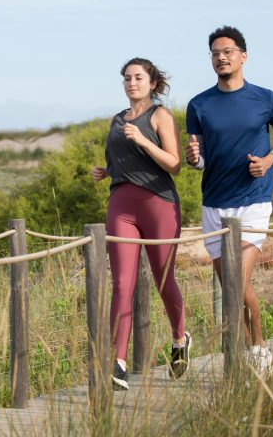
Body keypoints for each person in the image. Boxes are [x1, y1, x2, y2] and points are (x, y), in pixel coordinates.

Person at [185, 25, 273, 375]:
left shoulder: (267, 98)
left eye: (227, 51)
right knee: (233, 285)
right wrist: (193, 159)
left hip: (253, 200)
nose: (221, 57)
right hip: (214, 204)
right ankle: (254, 349)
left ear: (243, 55)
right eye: (215, 53)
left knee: (234, 283)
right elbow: (201, 158)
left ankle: (255, 352)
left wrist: (268, 160)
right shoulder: (198, 105)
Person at [92, 57, 191, 391]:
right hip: (121, 203)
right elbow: (121, 159)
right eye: (126, 78)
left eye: (138, 77)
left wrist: (144, 141)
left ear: (151, 83)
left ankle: (179, 339)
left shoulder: (160, 116)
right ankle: (116, 363)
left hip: (158, 203)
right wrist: (106, 171)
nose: (131, 83)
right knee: (122, 283)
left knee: (164, 279)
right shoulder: (117, 120)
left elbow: (175, 164)